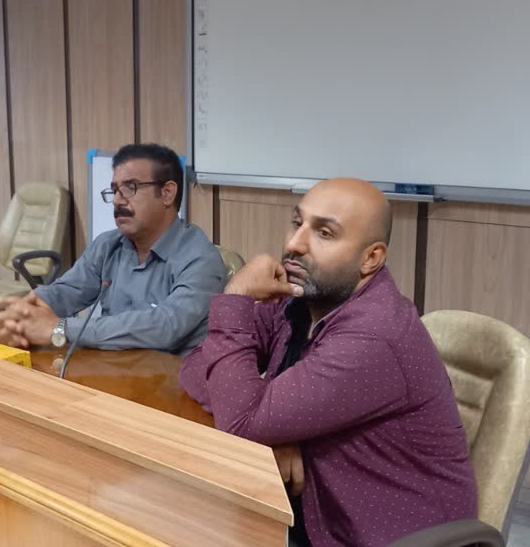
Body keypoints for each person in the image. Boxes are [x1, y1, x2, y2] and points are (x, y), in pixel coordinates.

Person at [179, 179, 477, 546]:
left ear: (371, 258)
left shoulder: (375, 335)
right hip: (311, 515)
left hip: (384, 536)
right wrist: (272, 431)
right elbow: (197, 365)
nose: (295, 244)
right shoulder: (297, 303)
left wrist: (236, 295)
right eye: (297, 222)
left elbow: (241, 422)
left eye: (324, 233)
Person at [0, 143, 226, 355]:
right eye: (114, 190)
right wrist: (28, 310)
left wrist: (61, 328)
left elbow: (165, 327)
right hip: (109, 369)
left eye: (130, 188)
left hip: (168, 381)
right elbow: (69, 290)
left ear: (167, 193)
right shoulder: (108, 245)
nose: (117, 200)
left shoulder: (201, 259)